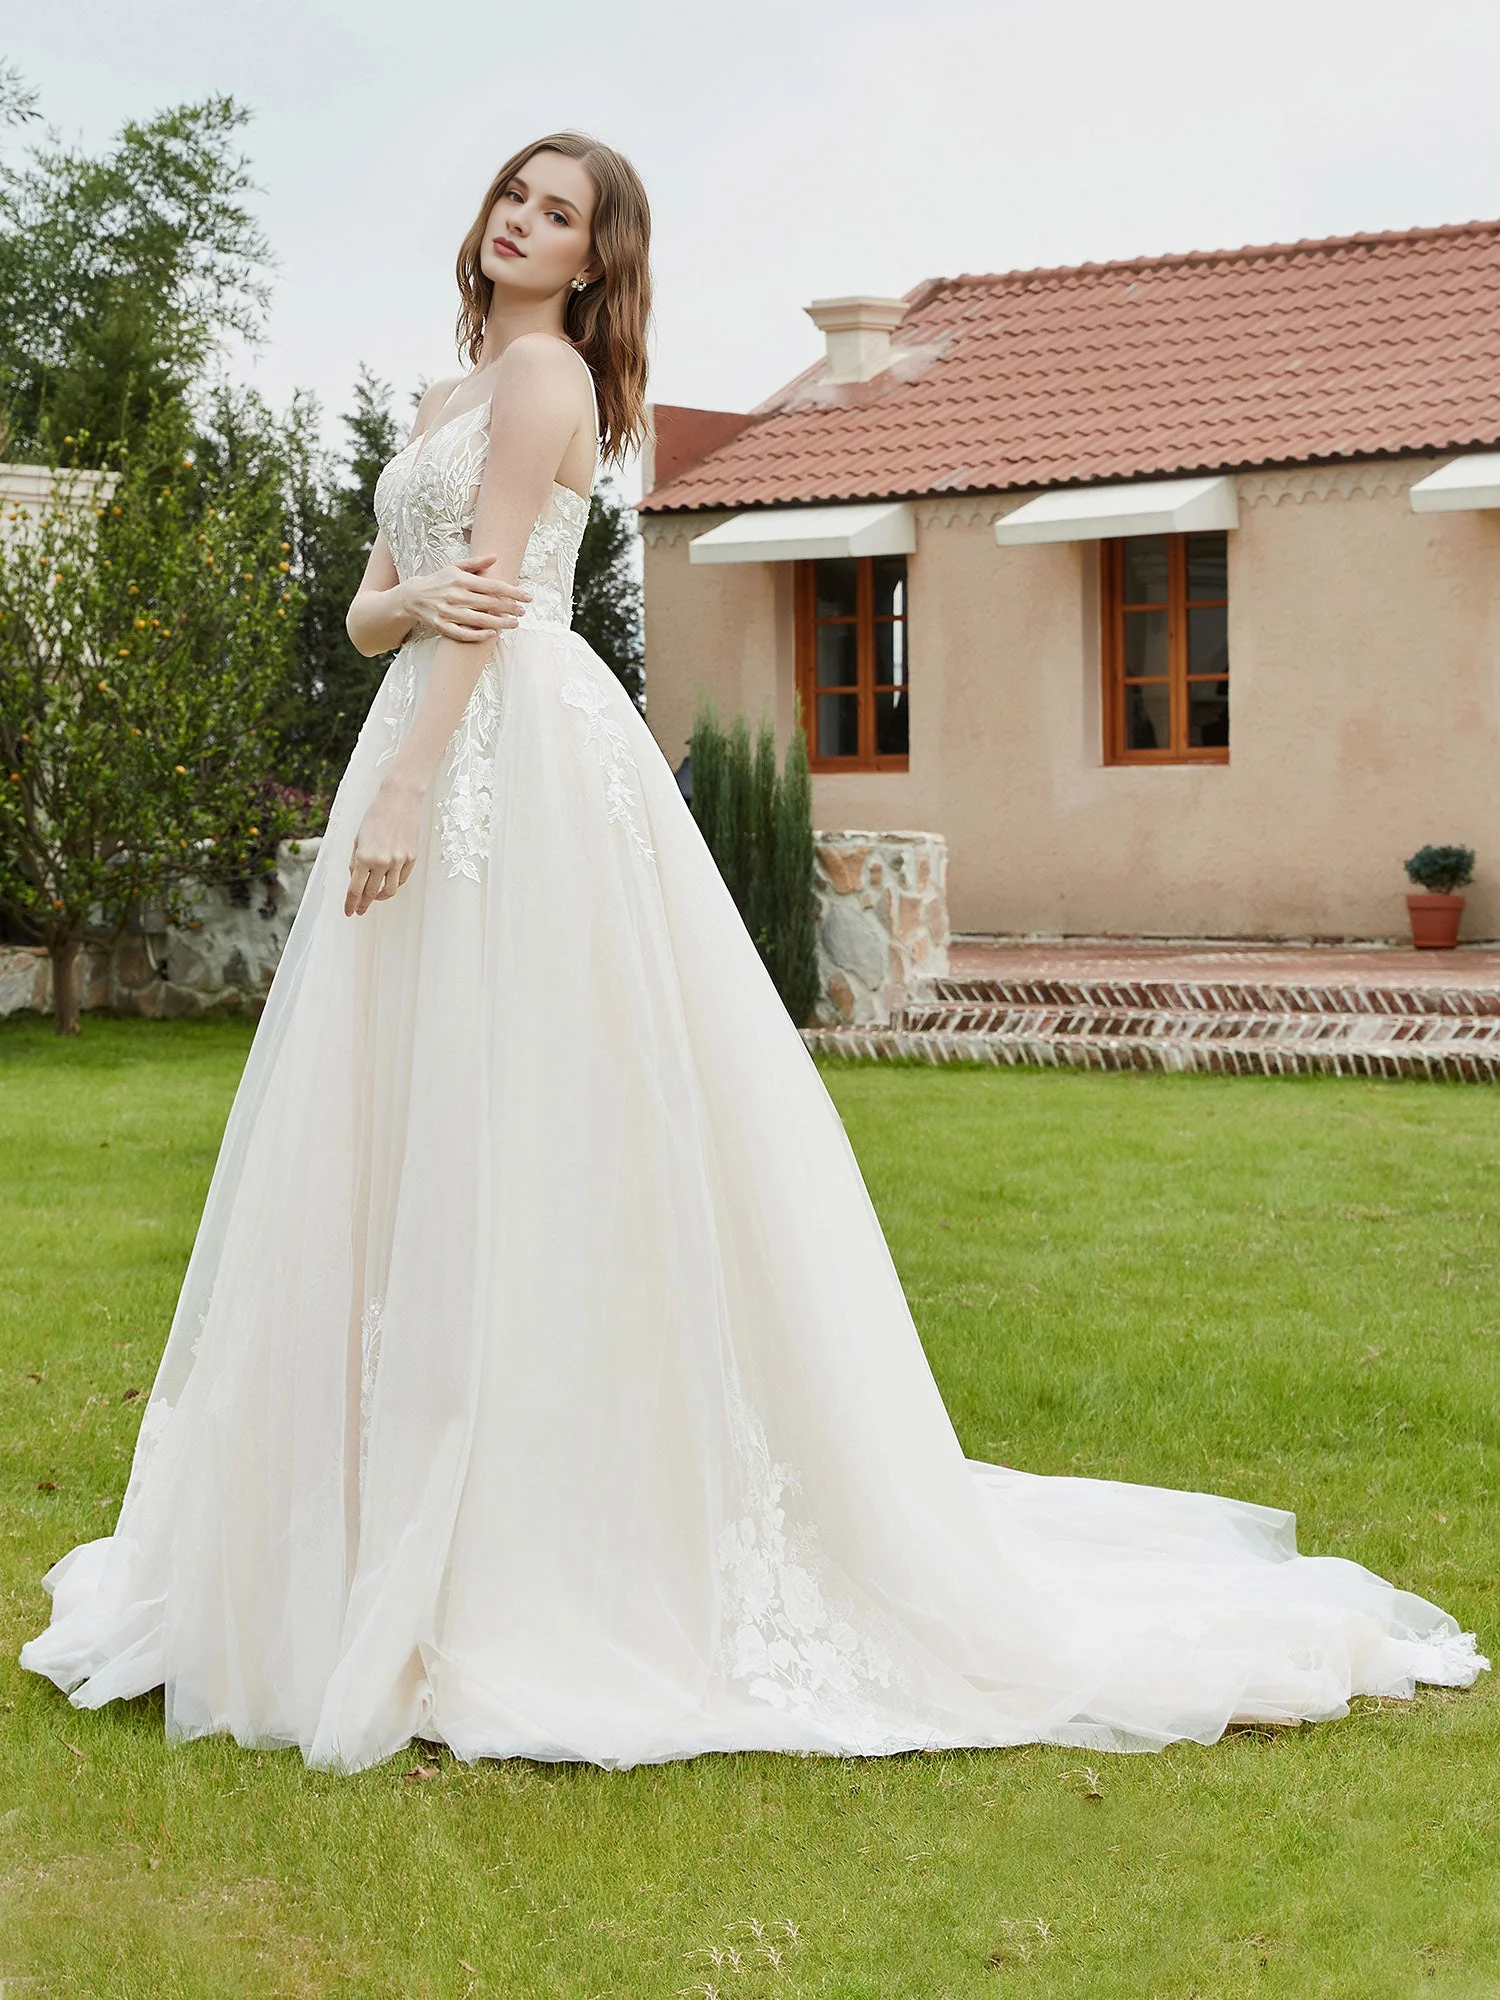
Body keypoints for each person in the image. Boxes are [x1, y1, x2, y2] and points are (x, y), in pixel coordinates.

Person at [20, 132, 1486, 1774]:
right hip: (426, 723)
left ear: (594, 260)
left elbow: (491, 606)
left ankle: (524, 1519)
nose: (520, 221)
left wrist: (416, 783)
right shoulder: (449, 394)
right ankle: (386, 1496)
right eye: (513, 195)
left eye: (558, 213)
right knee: (408, 1096)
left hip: (500, 751)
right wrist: (409, 629)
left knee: (527, 1092)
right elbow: (381, 609)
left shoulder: (544, 380)